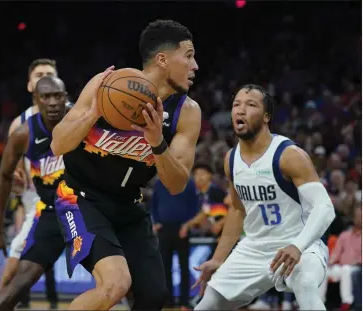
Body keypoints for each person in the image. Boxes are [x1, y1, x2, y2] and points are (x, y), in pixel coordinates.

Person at [50, 19, 201, 310]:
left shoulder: (187, 112)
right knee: (115, 285)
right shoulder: (106, 86)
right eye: (190, 56)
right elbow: (58, 144)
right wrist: (93, 113)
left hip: (129, 206)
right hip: (81, 198)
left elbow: (176, 184)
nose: (195, 66)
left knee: (154, 297)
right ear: (163, 59)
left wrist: (157, 142)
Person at [193, 84, 335, 310]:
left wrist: (297, 246)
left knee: (305, 284)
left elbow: (325, 207)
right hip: (254, 247)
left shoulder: (289, 155)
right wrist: (218, 259)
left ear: (266, 116)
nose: (240, 110)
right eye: (236, 104)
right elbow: (238, 211)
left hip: (301, 243)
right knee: (209, 302)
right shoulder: (231, 159)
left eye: (251, 105)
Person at [0, 76, 68, 311]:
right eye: (46, 97)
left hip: (89, 210)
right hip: (53, 212)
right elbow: (4, 178)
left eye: (57, 96)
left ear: (66, 98)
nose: (52, 102)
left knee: (126, 282)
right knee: (18, 281)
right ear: (35, 100)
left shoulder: (81, 118)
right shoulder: (23, 134)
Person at [0, 58, 60, 309]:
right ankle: (2, 301)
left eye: (49, 73)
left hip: (76, 198)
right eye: (39, 74)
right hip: (38, 201)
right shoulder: (19, 125)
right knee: (17, 257)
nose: (44, 77)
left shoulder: (73, 112)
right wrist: (16, 180)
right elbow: (11, 179)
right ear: (29, 85)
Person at [150, 177, 199, 309]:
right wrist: (156, 221)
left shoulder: (188, 183)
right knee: (165, 266)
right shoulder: (160, 183)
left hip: (182, 228)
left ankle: (184, 300)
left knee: (184, 267)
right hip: (164, 228)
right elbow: (154, 203)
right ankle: (168, 300)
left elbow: (194, 206)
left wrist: (187, 225)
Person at [319, 206, 362, 310]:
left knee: (347, 270)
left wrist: (358, 261)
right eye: (357, 216)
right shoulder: (344, 235)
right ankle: (319, 302)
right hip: (341, 267)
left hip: (357, 267)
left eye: (361, 216)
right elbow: (335, 254)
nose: (358, 218)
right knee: (323, 270)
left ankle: (347, 303)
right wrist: (330, 262)